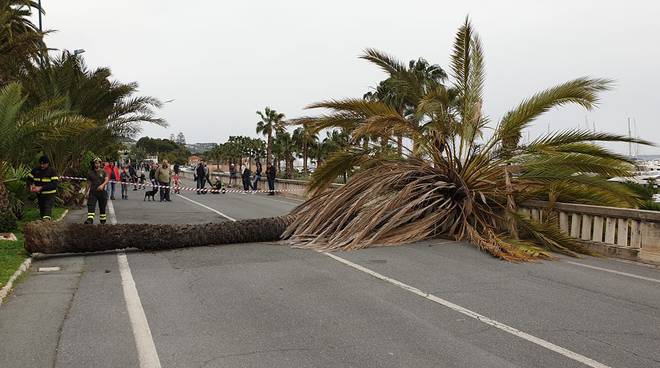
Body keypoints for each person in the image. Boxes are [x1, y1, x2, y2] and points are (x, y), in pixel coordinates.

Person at [26, 155, 59, 220]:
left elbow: (54, 184)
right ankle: (43, 225)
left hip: (50, 194)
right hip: (40, 195)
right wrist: (30, 185)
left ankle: (46, 222)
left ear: (48, 163)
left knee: (47, 208)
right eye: (41, 164)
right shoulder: (35, 170)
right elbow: (29, 179)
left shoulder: (52, 171)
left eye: (44, 164)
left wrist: (41, 187)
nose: (42, 165)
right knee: (42, 209)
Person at [85, 158, 109, 224]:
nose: (97, 164)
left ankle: (103, 222)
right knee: (91, 206)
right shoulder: (90, 173)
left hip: (102, 193)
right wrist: (86, 192)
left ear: (100, 164)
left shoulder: (103, 172)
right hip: (93, 192)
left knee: (102, 208)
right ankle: (90, 220)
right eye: (96, 163)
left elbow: (107, 179)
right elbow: (88, 183)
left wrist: (102, 185)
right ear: (93, 164)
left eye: (98, 163)